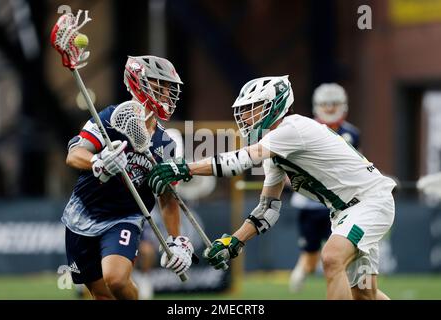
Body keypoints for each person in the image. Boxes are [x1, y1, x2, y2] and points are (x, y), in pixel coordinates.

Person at [147, 75, 396, 300]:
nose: (246, 117)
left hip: (368, 202)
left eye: (252, 109)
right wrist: (235, 241)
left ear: (275, 104)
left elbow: (241, 160)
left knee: (332, 257)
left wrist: (186, 168)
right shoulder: (275, 150)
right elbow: (267, 209)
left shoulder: (291, 129)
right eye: (244, 111)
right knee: (365, 295)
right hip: (348, 210)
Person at [62, 55, 194, 300]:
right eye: (159, 85)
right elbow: (74, 155)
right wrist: (98, 162)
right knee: (100, 293)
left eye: (169, 88)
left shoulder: (165, 143)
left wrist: (176, 239)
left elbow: (167, 196)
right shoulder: (110, 119)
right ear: (138, 83)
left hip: (125, 216)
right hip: (83, 212)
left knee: (117, 280)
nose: (166, 93)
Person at [289, 83, 361, 293]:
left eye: (334, 104)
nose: (329, 108)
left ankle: (347, 289)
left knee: (338, 257)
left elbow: (359, 167)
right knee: (311, 259)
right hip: (310, 203)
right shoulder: (306, 130)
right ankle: (302, 271)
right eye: (325, 104)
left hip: (339, 206)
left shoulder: (352, 134)